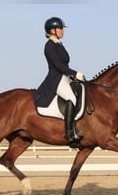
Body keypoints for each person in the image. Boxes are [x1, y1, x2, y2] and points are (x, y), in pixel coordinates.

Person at [35, 17, 85, 146]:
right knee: (71, 98)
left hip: (64, 77)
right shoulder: (49, 46)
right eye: (60, 28)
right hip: (56, 79)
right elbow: (58, 65)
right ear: (52, 30)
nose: (63, 31)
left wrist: (72, 76)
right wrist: (75, 73)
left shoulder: (58, 44)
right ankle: (69, 133)